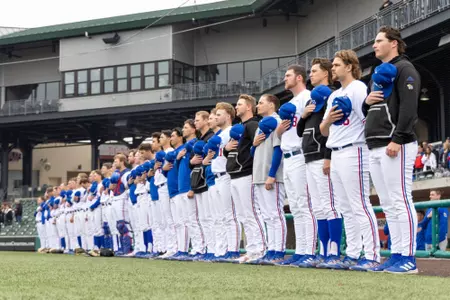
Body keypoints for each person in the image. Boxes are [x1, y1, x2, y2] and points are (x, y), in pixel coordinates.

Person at [363, 25, 421, 274]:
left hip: (396, 142)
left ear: (394, 43)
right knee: (387, 203)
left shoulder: (404, 68)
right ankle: (396, 255)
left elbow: (409, 107)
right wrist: (365, 102)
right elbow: (370, 110)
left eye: (379, 41)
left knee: (400, 200)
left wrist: (398, 138)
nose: (374, 45)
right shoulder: (377, 72)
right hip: (375, 143)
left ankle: (408, 257)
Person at [320, 49, 380, 271]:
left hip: (355, 149)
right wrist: (327, 120)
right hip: (335, 151)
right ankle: (353, 253)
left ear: (349, 66)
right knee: (346, 207)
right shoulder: (334, 95)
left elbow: (366, 119)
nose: (333, 68)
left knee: (360, 204)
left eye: (336, 65)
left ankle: (372, 255)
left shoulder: (358, 88)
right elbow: (323, 131)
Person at [297, 58, 341, 268]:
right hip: (308, 156)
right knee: (318, 207)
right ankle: (323, 252)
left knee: (329, 205)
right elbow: (299, 132)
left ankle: (334, 251)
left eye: (314, 71)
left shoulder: (331, 95)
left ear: (325, 74)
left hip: (322, 156)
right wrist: (304, 116)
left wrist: (328, 156)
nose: (310, 75)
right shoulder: (311, 101)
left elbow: (332, 130)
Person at [275, 65, 315, 267]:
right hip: (287, 155)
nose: (285, 79)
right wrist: (280, 131)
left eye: (288, 75)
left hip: (300, 154)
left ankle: (309, 251)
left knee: (304, 204)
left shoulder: (308, 96)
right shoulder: (289, 103)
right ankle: (300, 250)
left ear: (299, 78)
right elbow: (283, 133)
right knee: (297, 207)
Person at [224, 94, 265, 263]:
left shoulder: (253, 124)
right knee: (242, 215)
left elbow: (259, 145)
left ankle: (260, 249)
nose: (236, 107)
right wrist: (226, 149)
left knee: (251, 213)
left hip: (246, 174)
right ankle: (251, 249)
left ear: (249, 107)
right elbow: (233, 151)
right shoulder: (238, 127)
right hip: (235, 174)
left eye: (240, 104)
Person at [203, 102, 241, 261]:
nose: (216, 117)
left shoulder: (232, 131)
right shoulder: (218, 136)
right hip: (216, 176)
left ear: (228, 115)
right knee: (219, 217)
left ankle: (233, 250)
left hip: (226, 174)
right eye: (216, 114)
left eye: (219, 114)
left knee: (229, 215)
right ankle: (221, 250)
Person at [251, 94, 286, 264]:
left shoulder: (277, 121)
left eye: (261, 103)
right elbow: (254, 153)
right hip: (258, 174)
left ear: (271, 105)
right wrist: (254, 144)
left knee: (275, 214)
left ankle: (278, 251)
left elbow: (278, 149)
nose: (258, 106)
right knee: (267, 215)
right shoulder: (260, 126)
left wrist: (272, 175)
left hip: (271, 175)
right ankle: (271, 249)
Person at [154, 130, 176, 259]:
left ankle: (172, 248)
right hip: (159, 186)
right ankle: (168, 247)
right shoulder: (160, 154)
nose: (160, 139)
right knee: (164, 220)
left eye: (162, 137)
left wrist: (161, 168)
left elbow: (168, 169)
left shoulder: (169, 152)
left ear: (168, 139)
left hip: (166, 186)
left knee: (169, 219)